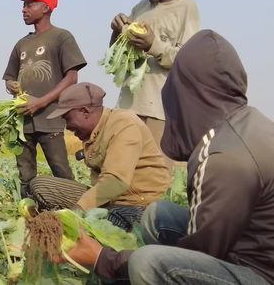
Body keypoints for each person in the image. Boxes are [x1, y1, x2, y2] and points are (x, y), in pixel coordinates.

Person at [58, 30, 274, 285]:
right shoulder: (251, 121)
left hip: (259, 274)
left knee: (146, 263)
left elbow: (199, 255)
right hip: (248, 247)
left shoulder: (220, 156)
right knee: (159, 215)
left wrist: (104, 259)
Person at [29, 82, 170, 232]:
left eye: (67, 118)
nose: (67, 126)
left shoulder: (123, 124)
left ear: (84, 111)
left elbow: (116, 181)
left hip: (139, 205)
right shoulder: (92, 134)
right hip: (109, 200)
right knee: (41, 185)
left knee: (108, 223)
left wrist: (79, 208)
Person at [111, 0, 200, 174]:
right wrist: (116, 31)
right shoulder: (140, 8)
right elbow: (118, 54)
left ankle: (152, 208)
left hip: (160, 106)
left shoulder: (186, 6)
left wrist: (153, 45)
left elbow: (188, 59)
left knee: (154, 173)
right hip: (130, 103)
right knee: (122, 170)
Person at [3, 0, 87, 198]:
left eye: (30, 4)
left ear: (46, 7)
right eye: (23, 5)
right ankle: (31, 213)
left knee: (60, 170)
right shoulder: (21, 43)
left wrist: (40, 102)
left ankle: (75, 212)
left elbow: (72, 77)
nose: (24, 9)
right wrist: (11, 85)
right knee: (25, 175)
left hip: (50, 118)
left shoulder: (61, 37)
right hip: (22, 121)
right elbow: (9, 77)